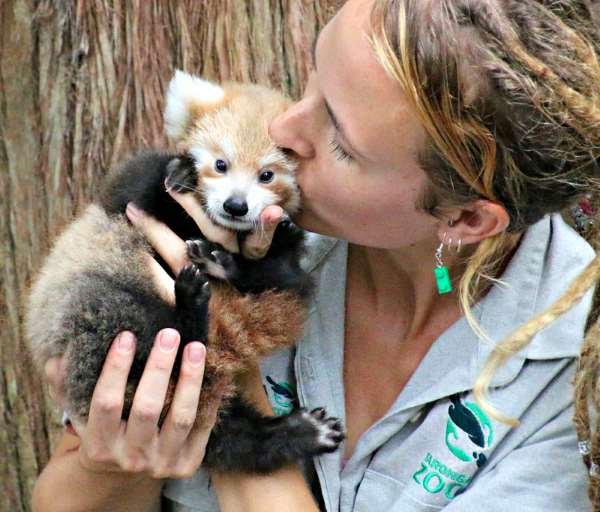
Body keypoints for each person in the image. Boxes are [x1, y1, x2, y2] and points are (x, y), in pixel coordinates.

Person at [32, 0, 600, 510]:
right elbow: (69, 493)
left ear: (466, 219)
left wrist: (227, 357)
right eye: (311, 81)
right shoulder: (242, 222)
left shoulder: (570, 368)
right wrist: (111, 460)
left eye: (340, 142)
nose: (283, 127)